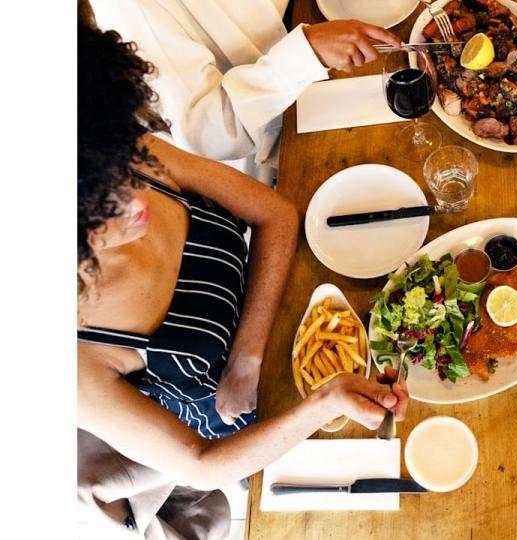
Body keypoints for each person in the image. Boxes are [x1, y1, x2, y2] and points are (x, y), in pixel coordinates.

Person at [77, 22, 409, 537]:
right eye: (101, 210)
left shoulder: (117, 152)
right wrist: (322, 402)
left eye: (117, 176)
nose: (135, 200)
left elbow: (275, 213)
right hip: (255, 427)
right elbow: (202, 464)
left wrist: (247, 354)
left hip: (287, 308)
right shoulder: (70, 360)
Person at [85, 0, 402, 178]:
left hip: (316, 34)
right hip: (275, 130)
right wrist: (307, 52)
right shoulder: (130, 7)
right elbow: (207, 131)